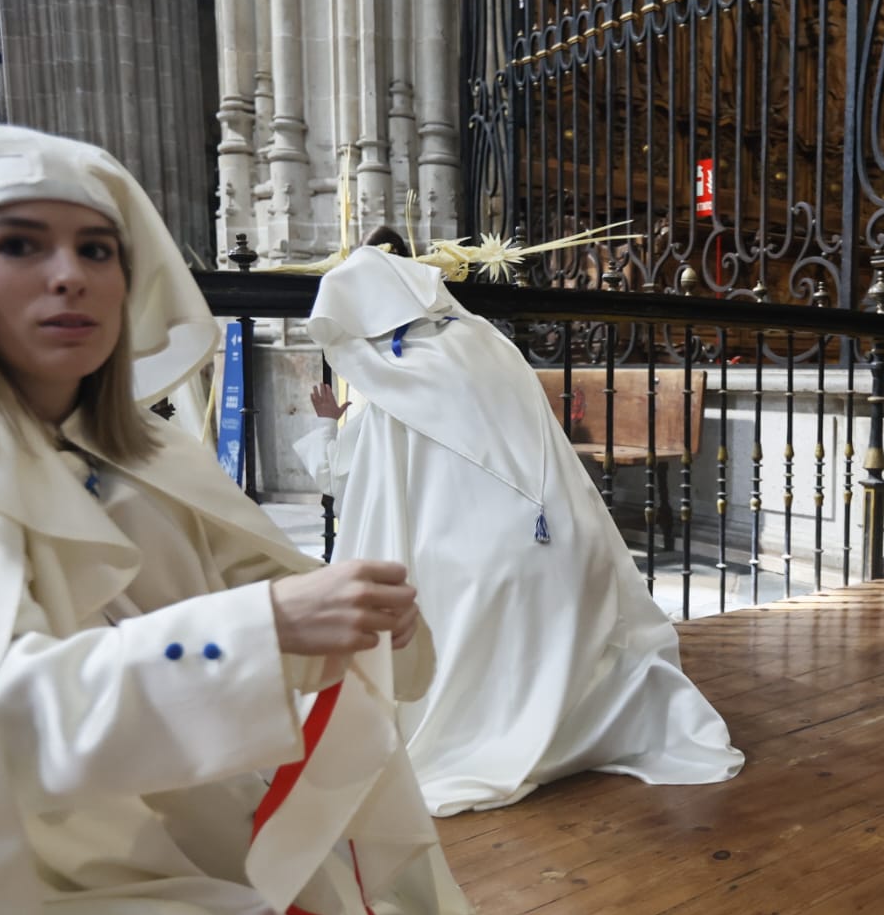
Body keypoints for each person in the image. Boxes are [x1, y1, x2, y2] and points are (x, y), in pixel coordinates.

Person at [0, 116, 531, 915]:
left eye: (96, 249)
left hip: (196, 804)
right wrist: (267, 627)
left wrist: (365, 612)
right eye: (19, 245)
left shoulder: (151, 449)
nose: (68, 276)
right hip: (37, 857)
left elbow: (252, 577)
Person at [293, 241, 744, 817]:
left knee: (429, 589)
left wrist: (328, 428)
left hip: (477, 566)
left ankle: (498, 735)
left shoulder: (393, 382)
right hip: (566, 544)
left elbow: (346, 479)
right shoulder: (483, 340)